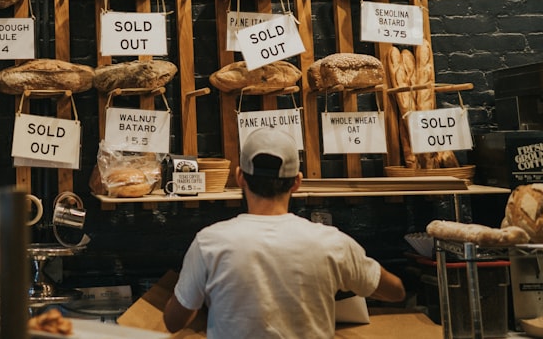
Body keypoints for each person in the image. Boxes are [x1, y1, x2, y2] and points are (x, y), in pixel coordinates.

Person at [164, 128, 406, 339]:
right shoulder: (332, 243)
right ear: (297, 182)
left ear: (240, 177)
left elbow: (173, 322)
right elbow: (396, 291)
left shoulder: (209, 243)